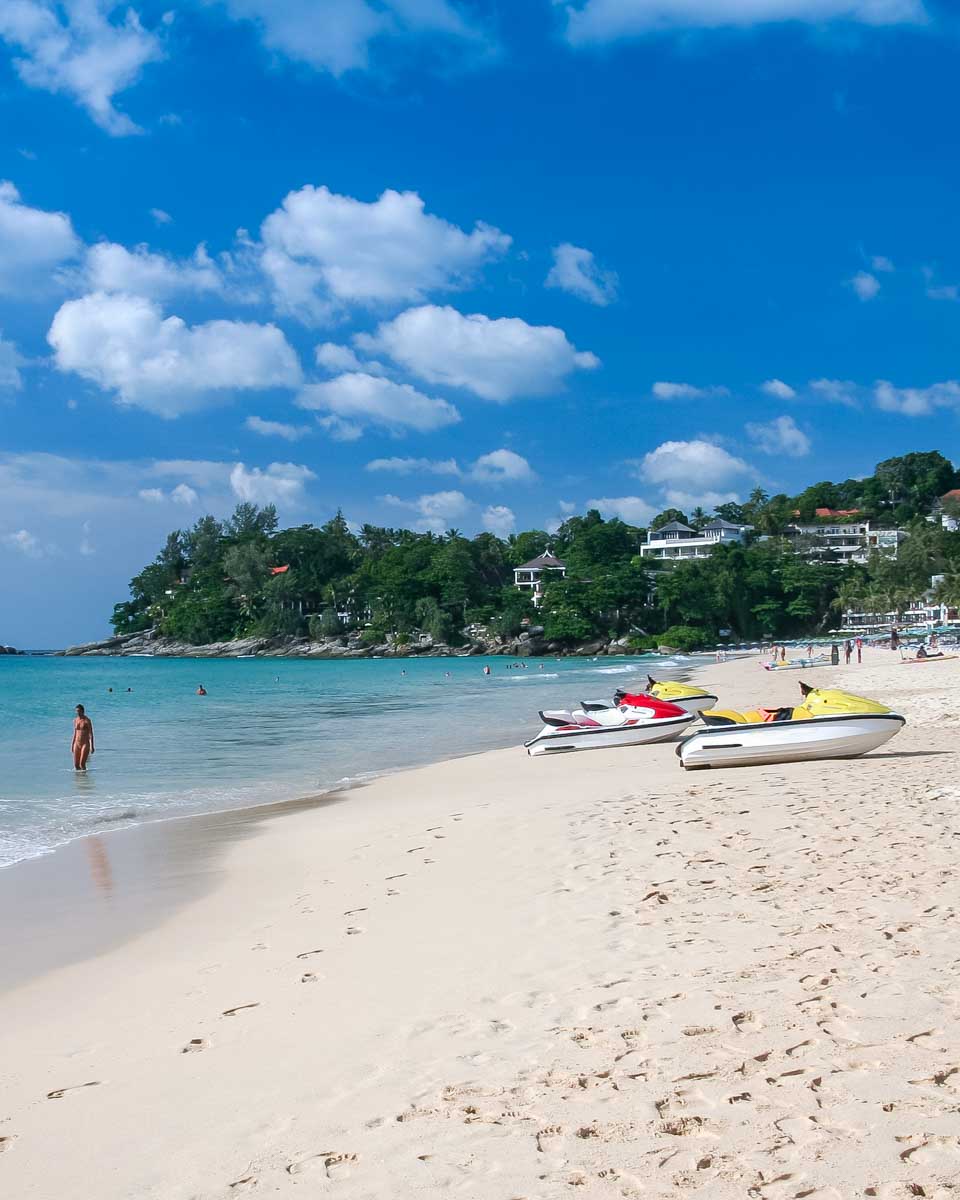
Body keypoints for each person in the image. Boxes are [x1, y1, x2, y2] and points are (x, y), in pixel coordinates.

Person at [72, 704, 95, 771]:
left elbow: (91, 734)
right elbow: (75, 733)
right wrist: (72, 744)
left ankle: (86, 779)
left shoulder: (87, 721)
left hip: (85, 744)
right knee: (76, 765)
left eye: (79, 711)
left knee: (82, 764)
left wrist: (92, 746)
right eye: (76, 711)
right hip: (77, 743)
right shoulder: (75, 720)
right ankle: (80, 780)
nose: (77, 713)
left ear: (83, 711)